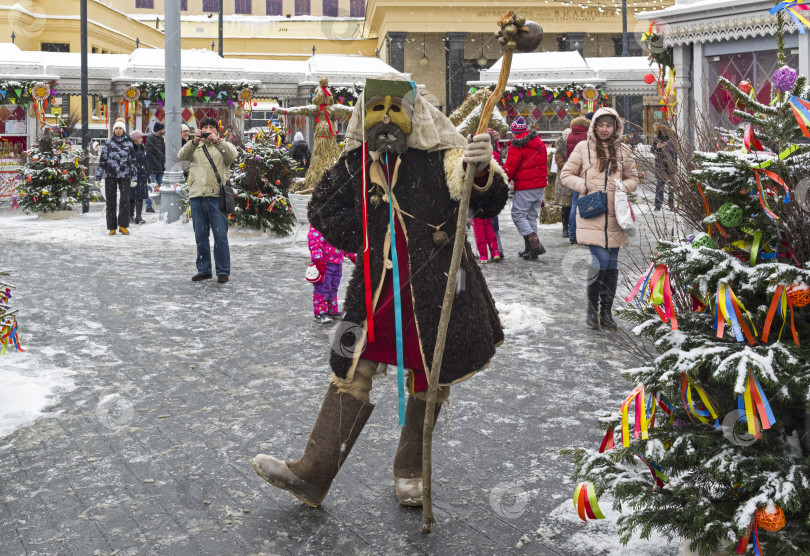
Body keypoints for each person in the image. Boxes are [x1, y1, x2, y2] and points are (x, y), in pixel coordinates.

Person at [251, 75, 508, 509]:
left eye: (396, 109)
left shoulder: (444, 157)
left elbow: (485, 201)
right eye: (376, 109)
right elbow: (321, 209)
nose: (386, 118)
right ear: (362, 115)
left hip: (438, 285)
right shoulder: (355, 164)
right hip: (372, 289)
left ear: (414, 114)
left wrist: (481, 170)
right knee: (350, 367)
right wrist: (364, 240)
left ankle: (411, 471)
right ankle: (312, 474)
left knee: (430, 372)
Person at [560, 107, 639, 331]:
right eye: (600, 125)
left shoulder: (623, 150)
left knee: (612, 264)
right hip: (592, 213)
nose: (604, 129)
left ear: (616, 127)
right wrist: (584, 186)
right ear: (594, 125)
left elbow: (633, 178)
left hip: (616, 215)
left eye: (609, 125)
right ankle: (592, 310)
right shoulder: (583, 148)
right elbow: (566, 174)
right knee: (600, 261)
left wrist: (623, 186)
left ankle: (606, 312)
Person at [177, 116, 238, 283]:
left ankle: (223, 271)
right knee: (200, 236)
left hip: (217, 196)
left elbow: (232, 157)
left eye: (212, 127)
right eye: (206, 127)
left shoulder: (223, 145)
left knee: (220, 236)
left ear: (217, 130)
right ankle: (204, 270)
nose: (209, 130)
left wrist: (218, 142)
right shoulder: (195, 146)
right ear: (200, 130)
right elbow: (182, 156)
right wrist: (193, 142)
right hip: (197, 195)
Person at [504, 116, 548, 259]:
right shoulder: (539, 142)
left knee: (518, 215)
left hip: (526, 185)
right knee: (531, 217)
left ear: (514, 132)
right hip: (539, 185)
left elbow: (510, 167)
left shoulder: (516, 145)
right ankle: (530, 250)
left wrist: (503, 182)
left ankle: (535, 244)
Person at [95, 118, 136, 235]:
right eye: (116, 128)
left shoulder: (129, 144)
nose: (118, 130)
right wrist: (98, 177)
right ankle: (111, 227)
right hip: (111, 176)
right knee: (111, 202)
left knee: (124, 201)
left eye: (120, 128)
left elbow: (133, 162)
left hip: (125, 176)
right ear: (114, 130)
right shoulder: (108, 144)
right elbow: (102, 161)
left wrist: (134, 178)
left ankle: (123, 225)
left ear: (123, 130)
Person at [307, 224, 356, 323]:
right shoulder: (318, 225)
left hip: (337, 264)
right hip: (325, 264)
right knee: (322, 288)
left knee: (333, 288)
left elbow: (343, 244)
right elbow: (314, 243)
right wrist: (317, 260)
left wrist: (351, 255)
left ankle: (332, 310)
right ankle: (320, 313)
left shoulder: (336, 225)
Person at [567, 113, 593, 245]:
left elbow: (568, 156)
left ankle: (572, 234)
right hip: (587, 174)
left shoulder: (571, 134)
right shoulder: (589, 135)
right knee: (589, 205)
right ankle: (585, 234)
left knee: (575, 205)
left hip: (574, 174)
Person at [553, 127, 573, 239]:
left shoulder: (575, 147)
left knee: (573, 205)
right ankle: (565, 228)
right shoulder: (559, 150)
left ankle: (572, 227)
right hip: (564, 180)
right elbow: (561, 164)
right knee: (566, 206)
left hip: (574, 178)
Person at [652, 123, 677, 211]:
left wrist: (669, 145)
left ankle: (671, 205)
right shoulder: (657, 139)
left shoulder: (673, 138)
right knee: (659, 186)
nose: (664, 132)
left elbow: (677, 150)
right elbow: (652, 150)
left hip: (671, 165)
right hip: (660, 165)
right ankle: (657, 206)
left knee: (671, 187)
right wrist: (658, 147)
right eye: (662, 131)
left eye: (666, 130)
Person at [129, 130, 149, 224]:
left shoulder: (142, 147)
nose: (142, 139)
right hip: (133, 176)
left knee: (140, 196)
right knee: (132, 196)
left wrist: (147, 174)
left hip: (142, 175)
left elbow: (145, 162)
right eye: (140, 137)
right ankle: (130, 216)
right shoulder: (130, 148)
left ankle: (139, 216)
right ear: (135, 139)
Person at [145, 121, 166, 213]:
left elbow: (162, 151)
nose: (164, 130)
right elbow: (149, 152)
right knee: (151, 187)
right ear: (158, 130)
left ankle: (164, 205)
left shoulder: (160, 138)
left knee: (162, 187)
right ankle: (149, 205)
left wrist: (162, 162)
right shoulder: (151, 138)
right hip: (152, 167)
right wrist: (157, 162)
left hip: (159, 167)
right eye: (162, 129)